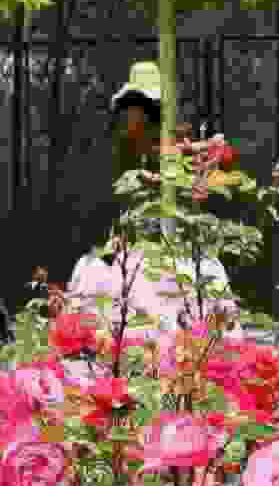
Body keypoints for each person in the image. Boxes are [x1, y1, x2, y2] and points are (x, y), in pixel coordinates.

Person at [67, 58, 227, 340]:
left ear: (149, 111)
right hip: (128, 248)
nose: (128, 116)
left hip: (169, 251)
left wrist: (204, 157)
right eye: (127, 108)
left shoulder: (169, 147)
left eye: (135, 108)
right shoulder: (121, 148)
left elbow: (193, 172)